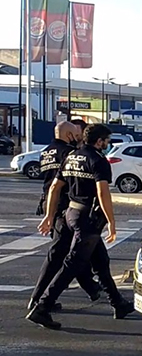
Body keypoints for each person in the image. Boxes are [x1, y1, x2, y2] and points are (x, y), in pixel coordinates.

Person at [27, 124, 134, 329]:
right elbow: (103, 194)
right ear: (99, 141)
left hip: (70, 213)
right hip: (87, 217)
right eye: (107, 140)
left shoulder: (72, 156)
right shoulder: (98, 161)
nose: (108, 144)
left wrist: (49, 215)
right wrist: (112, 222)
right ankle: (42, 307)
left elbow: (55, 188)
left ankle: (118, 303)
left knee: (101, 260)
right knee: (72, 265)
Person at [29, 121, 102, 311]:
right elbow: (63, 183)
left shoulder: (46, 152)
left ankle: (94, 288)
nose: (79, 137)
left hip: (51, 205)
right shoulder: (69, 153)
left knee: (75, 253)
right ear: (70, 135)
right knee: (61, 255)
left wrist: (48, 214)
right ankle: (40, 300)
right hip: (66, 207)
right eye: (76, 134)